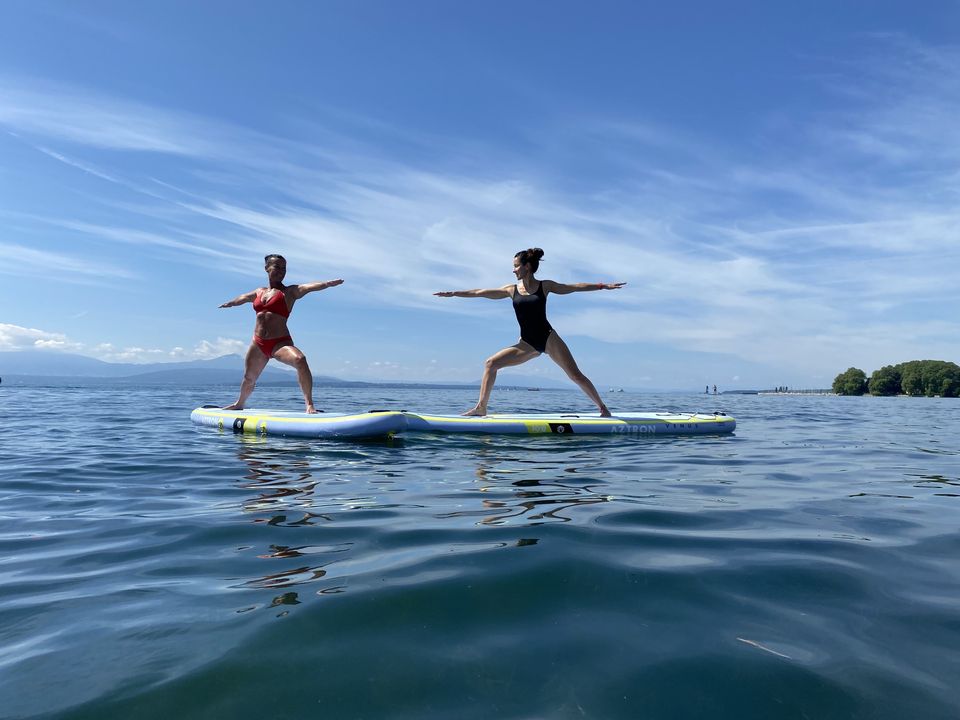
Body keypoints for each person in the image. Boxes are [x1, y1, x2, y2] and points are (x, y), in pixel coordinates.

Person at [434, 247, 625, 416]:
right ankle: (481, 407)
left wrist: (602, 286)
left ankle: (603, 408)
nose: (513, 269)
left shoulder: (545, 286)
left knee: (575, 375)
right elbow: (479, 292)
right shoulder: (511, 290)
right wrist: (454, 293)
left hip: (548, 338)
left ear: (527, 267)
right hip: (527, 343)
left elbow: (573, 287)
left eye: (516, 265)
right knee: (491, 363)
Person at [219, 254, 343, 413]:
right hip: (258, 343)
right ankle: (239, 404)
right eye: (277, 267)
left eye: (284, 268)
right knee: (249, 378)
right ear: (266, 268)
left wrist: (326, 284)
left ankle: (309, 405)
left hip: (279, 343)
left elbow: (308, 287)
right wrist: (231, 303)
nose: (281, 271)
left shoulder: (289, 292)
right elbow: (243, 297)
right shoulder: (259, 292)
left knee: (300, 360)